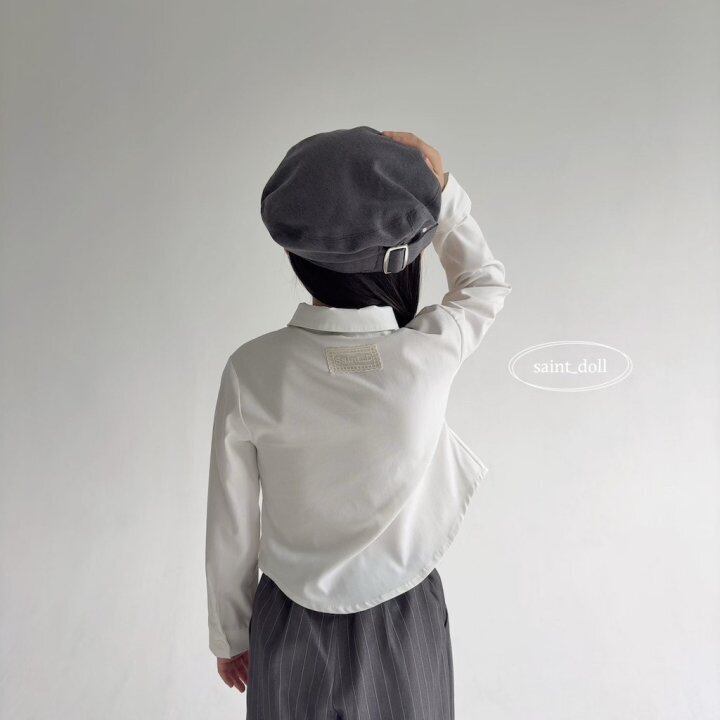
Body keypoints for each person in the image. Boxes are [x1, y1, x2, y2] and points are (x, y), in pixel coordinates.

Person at [205, 127, 511, 719]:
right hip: (404, 617)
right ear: (405, 256)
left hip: (288, 618)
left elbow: (232, 519)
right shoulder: (426, 355)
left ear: (296, 255)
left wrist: (231, 632)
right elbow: (483, 282)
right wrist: (443, 188)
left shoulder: (253, 369)